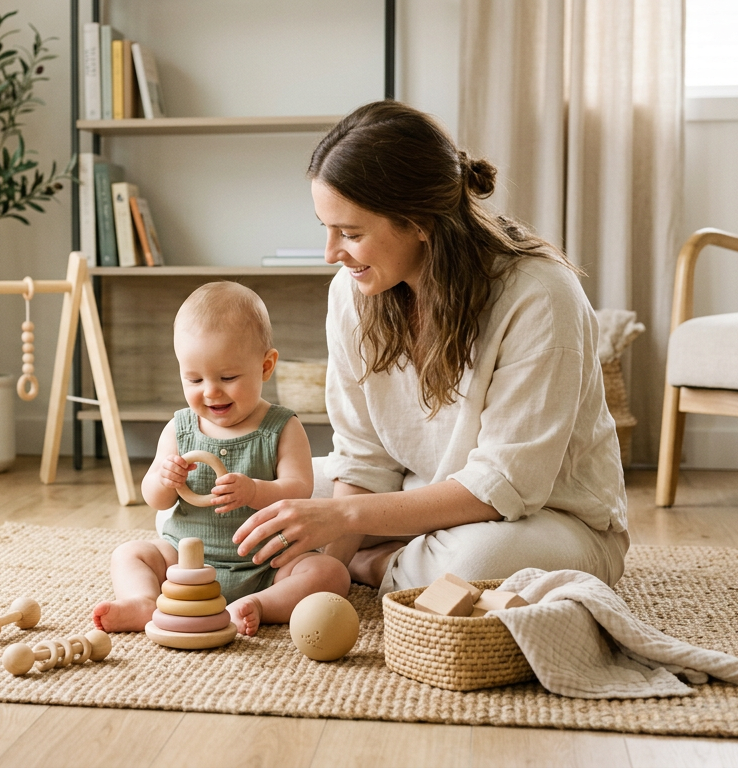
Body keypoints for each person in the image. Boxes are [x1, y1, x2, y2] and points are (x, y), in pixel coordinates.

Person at [232, 100, 629, 594]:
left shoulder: (540, 295)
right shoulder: (353, 290)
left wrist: (343, 520)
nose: (331, 253)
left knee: (480, 559)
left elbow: (506, 484)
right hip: (412, 495)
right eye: (326, 229)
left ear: (419, 222)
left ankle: (379, 567)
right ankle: (385, 562)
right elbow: (363, 457)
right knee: (243, 488)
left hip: (544, 519)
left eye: (351, 233)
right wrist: (324, 571)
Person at [92, 282, 350, 635]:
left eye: (228, 377)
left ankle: (257, 604)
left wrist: (254, 491)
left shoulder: (283, 427)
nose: (211, 391)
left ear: (266, 366)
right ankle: (144, 602)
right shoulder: (180, 428)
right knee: (129, 554)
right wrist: (165, 479)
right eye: (194, 378)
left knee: (330, 573)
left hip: (264, 564)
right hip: (183, 563)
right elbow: (154, 497)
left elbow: (299, 489)